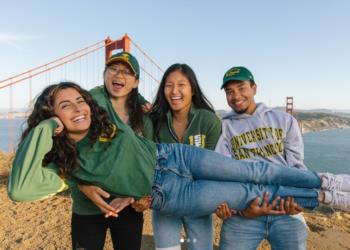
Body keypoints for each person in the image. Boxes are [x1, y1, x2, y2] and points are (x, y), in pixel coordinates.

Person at [8, 82, 350, 240]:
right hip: (166, 193)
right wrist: (48, 127)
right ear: (49, 115)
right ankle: (320, 199)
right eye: (64, 105)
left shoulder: (103, 115)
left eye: (79, 100)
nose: (78, 107)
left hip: (173, 154)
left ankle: (326, 183)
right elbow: (20, 190)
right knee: (247, 193)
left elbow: (124, 84)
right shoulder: (65, 162)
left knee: (255, 170)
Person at [214, 66, 313, 250]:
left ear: (254, 88)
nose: (235, 96)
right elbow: (222, 172)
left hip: (284, 208)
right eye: (229, 91)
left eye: (241, 88)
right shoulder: (224, 128)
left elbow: (297, 168)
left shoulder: (285, 120)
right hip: (245, 212)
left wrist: (297, 200)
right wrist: (234, 208)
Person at [150, 63, 221, 250]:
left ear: (193, 90)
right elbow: (150, 163)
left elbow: (211, 167)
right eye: (168, 85)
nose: (174, 91)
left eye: (181, 85)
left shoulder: (209, 121)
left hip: (197, 201)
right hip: (165, 201)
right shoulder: (155, 121)